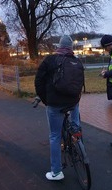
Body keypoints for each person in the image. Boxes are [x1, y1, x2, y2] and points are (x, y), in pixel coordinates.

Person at [34, 35, 83, 180]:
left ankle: (56, 172)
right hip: (73, 102)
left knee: (55, 136)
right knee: (75, 126)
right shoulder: (77, 61)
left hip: (55, 104)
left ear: (59, 46)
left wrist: (45, 99)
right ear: (71, 47)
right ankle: (78, 145)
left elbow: (38, 81)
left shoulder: (50, 60)